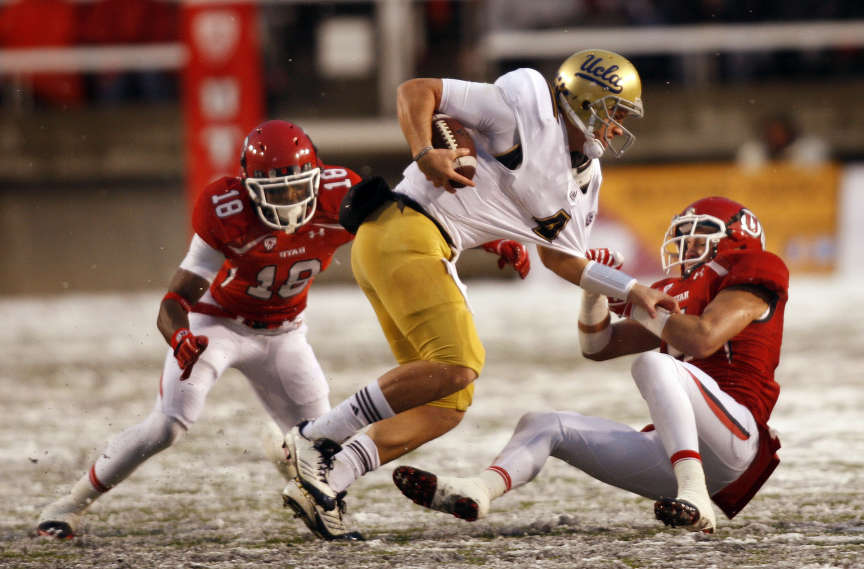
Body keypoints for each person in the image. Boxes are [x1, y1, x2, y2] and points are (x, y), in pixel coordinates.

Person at [35, 119, 527, 542]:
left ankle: (324, 510)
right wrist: (180, 335)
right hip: (218, 326)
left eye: (298, 188)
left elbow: (413, 225)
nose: (291, 201)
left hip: (287, 333)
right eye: (277, 191)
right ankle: (70, 504)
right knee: (168, 424)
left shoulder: (340, 192)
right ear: (247, 186)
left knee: (323, 455)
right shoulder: (224, 210)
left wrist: (491, 241)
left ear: (317, 179)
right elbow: (175, 298)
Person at [280, 49, 678, 538]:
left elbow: (561, 259)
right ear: (586, 101)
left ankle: (327, 480)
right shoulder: (522, 110)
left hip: (412, 247)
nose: (617, 127)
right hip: (405, 231)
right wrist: (425, 151)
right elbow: (416, 91)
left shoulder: (585, 175)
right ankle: (315, 438)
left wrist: (633, 289)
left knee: (448, 401)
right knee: (459, 362)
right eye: (613, 112)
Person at [393, 197, 788, 534]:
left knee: (655, 365)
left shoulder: (755, 268)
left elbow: (702, 338)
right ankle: (479, 490)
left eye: (699, 232)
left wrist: (630, 296)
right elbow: (598, 345)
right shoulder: (675, 291)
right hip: (676, 449)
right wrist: (596, 289)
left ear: (738, 239)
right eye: (682, 234)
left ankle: (694, 493)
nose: (685, 244)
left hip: (736, 435)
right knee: (544, 424)